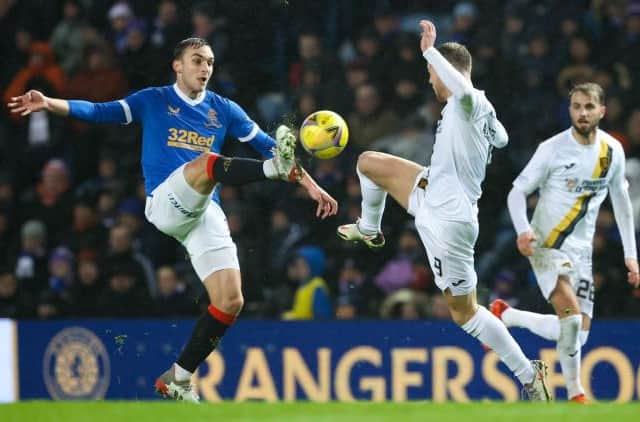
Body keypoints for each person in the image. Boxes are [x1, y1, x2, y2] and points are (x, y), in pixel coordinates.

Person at [8, 37, 337, 403]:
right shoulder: (153, 100)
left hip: (202, 211)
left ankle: (178, 377)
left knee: (230, 300)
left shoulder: (223, 109)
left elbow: (268, 143)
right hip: (165, 201)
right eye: (197, 60)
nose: (205, 68)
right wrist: (49, 103)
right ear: (177, 65)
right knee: (206, 163)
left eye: (210, 62)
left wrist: (310, 184)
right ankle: (268, 173)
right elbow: (101, 112)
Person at [337, 20, 550, 401]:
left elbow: (465, 92)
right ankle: (370, 228)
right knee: (368, 162)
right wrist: (489, 131)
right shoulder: (475, 107)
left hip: (449, 221)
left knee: (465, 313)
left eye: (430, 73)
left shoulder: (468, 100)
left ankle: (528, 376)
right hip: (430, 189)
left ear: (444, 70)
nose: (429, 80)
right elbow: (502, 138)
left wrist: (429, 50)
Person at [492, 82, 639, 403]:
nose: (582, 113)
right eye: (576, 106)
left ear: (602, 110)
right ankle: (576, 393)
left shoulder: (612, 151)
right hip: (546, 243)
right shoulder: (552, 148)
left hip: (581, 252)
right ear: (569, 110)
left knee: (577, 334)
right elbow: (517, 192)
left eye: (589, 106)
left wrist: (632, 256)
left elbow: (622, 205)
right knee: (571, 318)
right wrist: (522, 231)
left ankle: (506, 316)